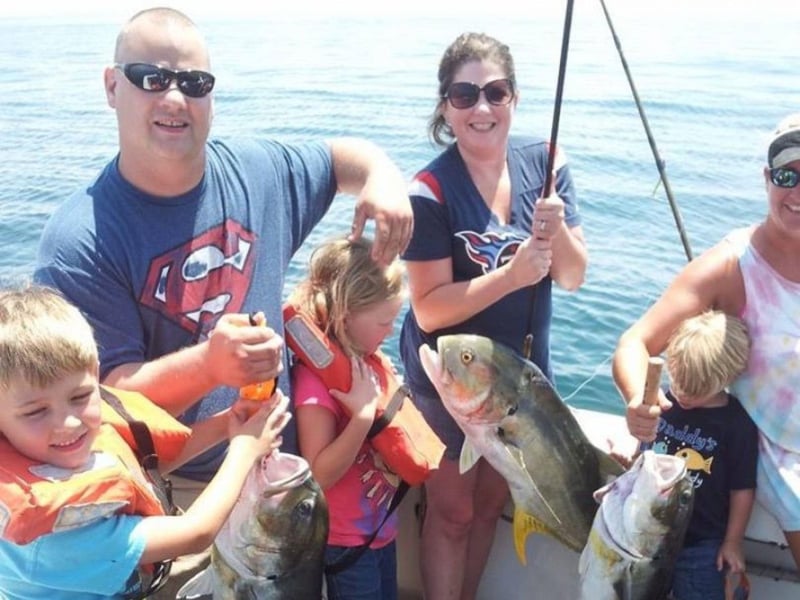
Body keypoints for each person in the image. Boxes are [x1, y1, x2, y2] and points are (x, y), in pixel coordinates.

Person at [32, 7, 411, 593]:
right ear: (112, 86)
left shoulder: (258, 172)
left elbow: (345, 160)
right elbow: (97, 406)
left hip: (282, 485)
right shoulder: (80, 240)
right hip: (179, 498)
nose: (175, 99)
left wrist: (383, 177)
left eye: (194, 83)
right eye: (150, 78)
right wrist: (210, 365)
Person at [397, 32, 588, 599]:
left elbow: (574, 276)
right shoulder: (429, 191)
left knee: (489, 506)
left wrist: (558, 237)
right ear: (445, 108)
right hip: (454, 379)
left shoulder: (548, 165)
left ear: (514, 98)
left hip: (523, 378)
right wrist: (513, 275)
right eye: (464, 95)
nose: (481, 108)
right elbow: (429, 311)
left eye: (495, 92)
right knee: (453, 512)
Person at [0, 285, 291, 599]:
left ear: (95, 374)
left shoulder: (43, 451)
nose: (68, 423)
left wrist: (226, 425)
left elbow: (136, 472)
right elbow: (196, 533)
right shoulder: (54, 535)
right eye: (36, 411)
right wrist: (245, 449)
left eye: (80, 396)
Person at [612, 112, 800, 570]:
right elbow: (636, 342)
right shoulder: (730, 267)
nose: (797, 193)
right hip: (784, 454)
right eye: (786, 176)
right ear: (766, 179)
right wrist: (641, 399)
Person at [289, 236, 406, 600]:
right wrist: (361, 418)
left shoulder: (366, 363)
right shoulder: (315, 384)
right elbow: (318, 475)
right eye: (384, 322)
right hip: (345, 542)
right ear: (345, 316)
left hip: (381, 529)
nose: (390, 332)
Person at [656, 311, 757, 600]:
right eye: (678, 383)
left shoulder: (736, 424)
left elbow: (742, 489)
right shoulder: (663, 400)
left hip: (702, 545)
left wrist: (733, 541)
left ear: (727, 378)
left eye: (696, 391)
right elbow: (646, 447)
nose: (683, 395)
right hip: (654, 535)